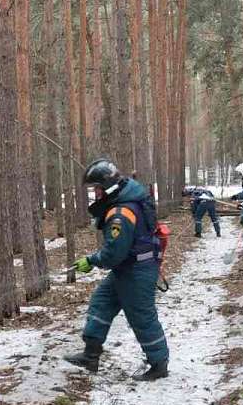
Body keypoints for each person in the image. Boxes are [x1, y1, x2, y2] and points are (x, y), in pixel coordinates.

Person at [64, 159, 170, 381]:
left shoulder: (121, 214)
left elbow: (114, 254)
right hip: (128, 268)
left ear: (109, 187)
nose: (96, 194)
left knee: (142, 317)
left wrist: (91, 261)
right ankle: (90, 355)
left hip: (137, 270)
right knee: (101, 302)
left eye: (97, 189)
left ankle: (159, 365)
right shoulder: (123, 201)